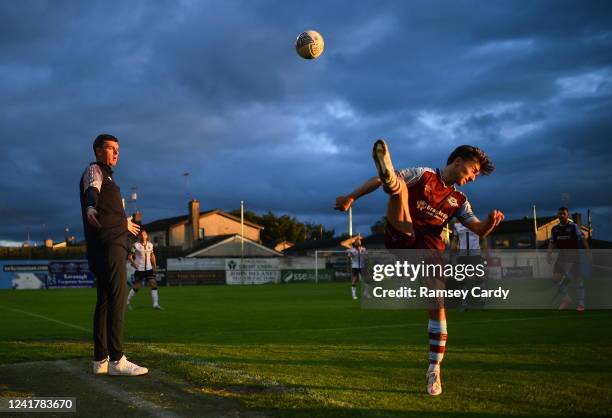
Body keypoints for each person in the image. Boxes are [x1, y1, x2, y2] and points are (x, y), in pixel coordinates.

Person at [335, 139, 504, 396]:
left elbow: (479, 229)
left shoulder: (459, 200)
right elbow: (376, 181)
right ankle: (390, 176)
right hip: (402, 234)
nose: (473, 178)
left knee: (437, 307)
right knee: (399, 187)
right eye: (473, 171)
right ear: (458, 162)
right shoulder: (423, 175)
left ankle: (434, 370)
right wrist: (351, 196)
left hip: (429, 252)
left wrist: (490, 223)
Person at [79, 133, 148, 376]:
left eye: (118, 148)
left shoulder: (108, 176)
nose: (116, 153)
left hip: (108, 242)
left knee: (106, 300)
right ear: (98, 151)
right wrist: (89, 206)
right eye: (110, 148)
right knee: (117, 299)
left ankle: (101, 360)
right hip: (109, 245)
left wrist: (123, 223)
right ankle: (118, 359)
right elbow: (92, 192)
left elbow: (108, 212)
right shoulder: (95, 170)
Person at [547, 207, 591, 311]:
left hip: (574, 255)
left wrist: (588, 252)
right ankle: (566, 298)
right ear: (557, 215)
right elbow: (552, 242)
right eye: (560, 214)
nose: (561, 215)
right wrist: (549, 252)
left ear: (567, 215)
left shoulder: (573, 226)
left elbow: (583, 238)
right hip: (562, 256)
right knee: (555, 278)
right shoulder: (555, 229)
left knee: (578, 279)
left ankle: (581, 304)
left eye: (564, 213)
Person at [127, 229, 162, 310]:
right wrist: (134, 263)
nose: (143, 236)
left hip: (149, 269)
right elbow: (129, 257)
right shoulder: (135, 245)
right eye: (141, 235)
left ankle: (155, 304)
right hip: (139, 269)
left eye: (144, 234)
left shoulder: (150, 245)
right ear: (139, 236)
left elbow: (152, 256)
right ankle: (127, 301)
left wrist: (154, 265)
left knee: (153, 284)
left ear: (147, 236)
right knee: (137, 287)